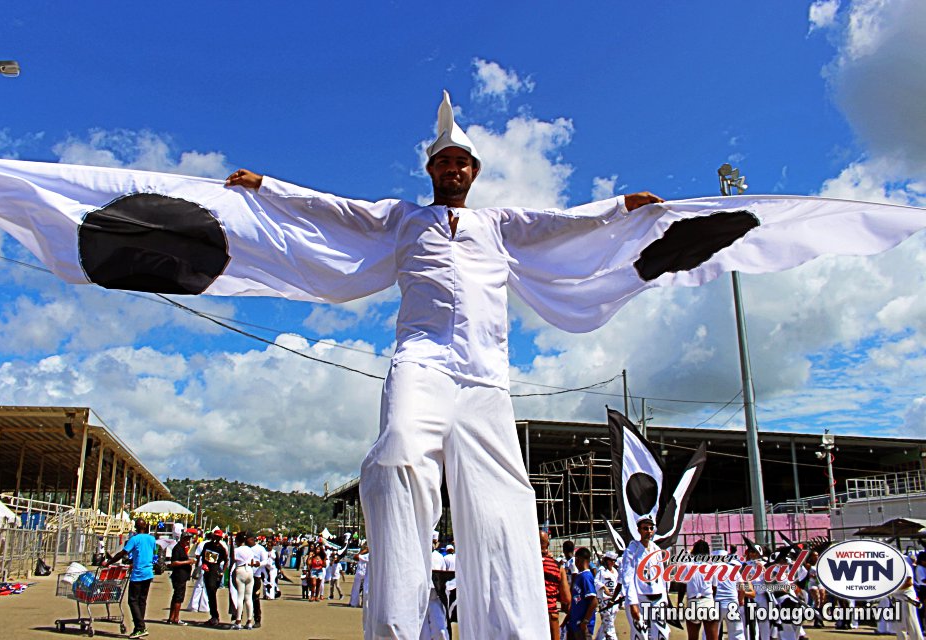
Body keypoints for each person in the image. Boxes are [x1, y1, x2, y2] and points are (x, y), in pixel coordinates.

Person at [224, 90, 662, 639]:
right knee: (397, 460)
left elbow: (559, 223)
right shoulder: (403, 220)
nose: (452, 169)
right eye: (443, 162)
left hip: (484, 379)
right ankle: (397, 628)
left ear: (473, 172)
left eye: (461, 162)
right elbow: (335, 209)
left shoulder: (499, 224)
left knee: (505, 508)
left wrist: (618, 208)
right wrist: (269, 189)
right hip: (421, 364)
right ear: (430, 170)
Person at [105, 518, 157, 639]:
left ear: (136, 528)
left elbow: (122, 553)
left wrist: (109, 562)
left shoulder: (135, 539)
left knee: (133, 600)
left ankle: (140, 626)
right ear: (146, 527)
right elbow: (152, 552)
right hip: (148, 573)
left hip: (138, 574)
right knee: (142, 601)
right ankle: (139, 627)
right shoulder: (152, 539)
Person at [620, 516, 669, 640]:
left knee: (662, 634)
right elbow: (627, 578)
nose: (649, 531)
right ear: (639, 530)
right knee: (640, 635)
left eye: (651, 528)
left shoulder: (656, 549)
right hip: (640, 598)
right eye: (645, 528)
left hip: (657, 598)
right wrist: (632, 603)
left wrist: (665, 598)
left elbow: (662, 577)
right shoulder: (632, 550)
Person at [541, 531, 571, 640]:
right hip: (550, 615)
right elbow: (566, 598)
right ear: (548, 545)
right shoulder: (558, 567)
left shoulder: (526, 565)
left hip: (531, 615)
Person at [566, 547, 597, 640]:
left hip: (582, 626)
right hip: (574, 623)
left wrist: (585, 621)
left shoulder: (586, 577)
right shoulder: (579, 575)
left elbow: (594, 602)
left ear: (578, 559)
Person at [200, 528, 228, 626]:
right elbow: (202, 556)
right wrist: (203, 564)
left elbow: (226, 560)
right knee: (209, 593)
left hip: (215, 570)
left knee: (212, 592)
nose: (216, 539)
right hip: (207, 570)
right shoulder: (207, 545)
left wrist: (222, 572)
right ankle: (213, 616)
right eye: (215, 536)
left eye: (218, 537)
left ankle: (215, 616)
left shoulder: (221, 548)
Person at [166, 533, 195, 625]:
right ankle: (176, 618)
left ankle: (171, 617)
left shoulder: (183, 548)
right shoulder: (177, 548)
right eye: (186, 539)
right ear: (182, 539)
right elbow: (174, 563)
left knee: (176, 597)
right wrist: (188, 562)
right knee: (178, 597)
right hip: (179, 576)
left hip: (182, 576)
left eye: (189, 539)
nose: (188, 541)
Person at [231, 532, 256, 630]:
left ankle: (238, 621)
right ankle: (249, 621)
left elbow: (233, 560)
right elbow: (252, 561)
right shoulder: (250, 549)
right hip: (249, 570)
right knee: (249, 598)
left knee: (240, 597)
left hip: (240, 569)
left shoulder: (236, 550)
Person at [594, 551, 621, 640]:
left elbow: (619, 584)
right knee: (609, 623)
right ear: (607, 560)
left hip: (614, 600)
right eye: (611, 560)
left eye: (614, 560)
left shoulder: (615, 571)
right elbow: (596, 582)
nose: (613, 562)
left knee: (607, 623)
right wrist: (604, 587)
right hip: (605, 601)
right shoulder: (601, 570)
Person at [247, 532, 269, 626]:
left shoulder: (260, 549)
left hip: (256, 576)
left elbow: (265, 561)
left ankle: (257, 619)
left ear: (252, 539)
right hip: (246, 575)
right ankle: (246, 619)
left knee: (255, 598)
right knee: (245, 599)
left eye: (247, 539)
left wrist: (258, 564)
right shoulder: (245, 549)